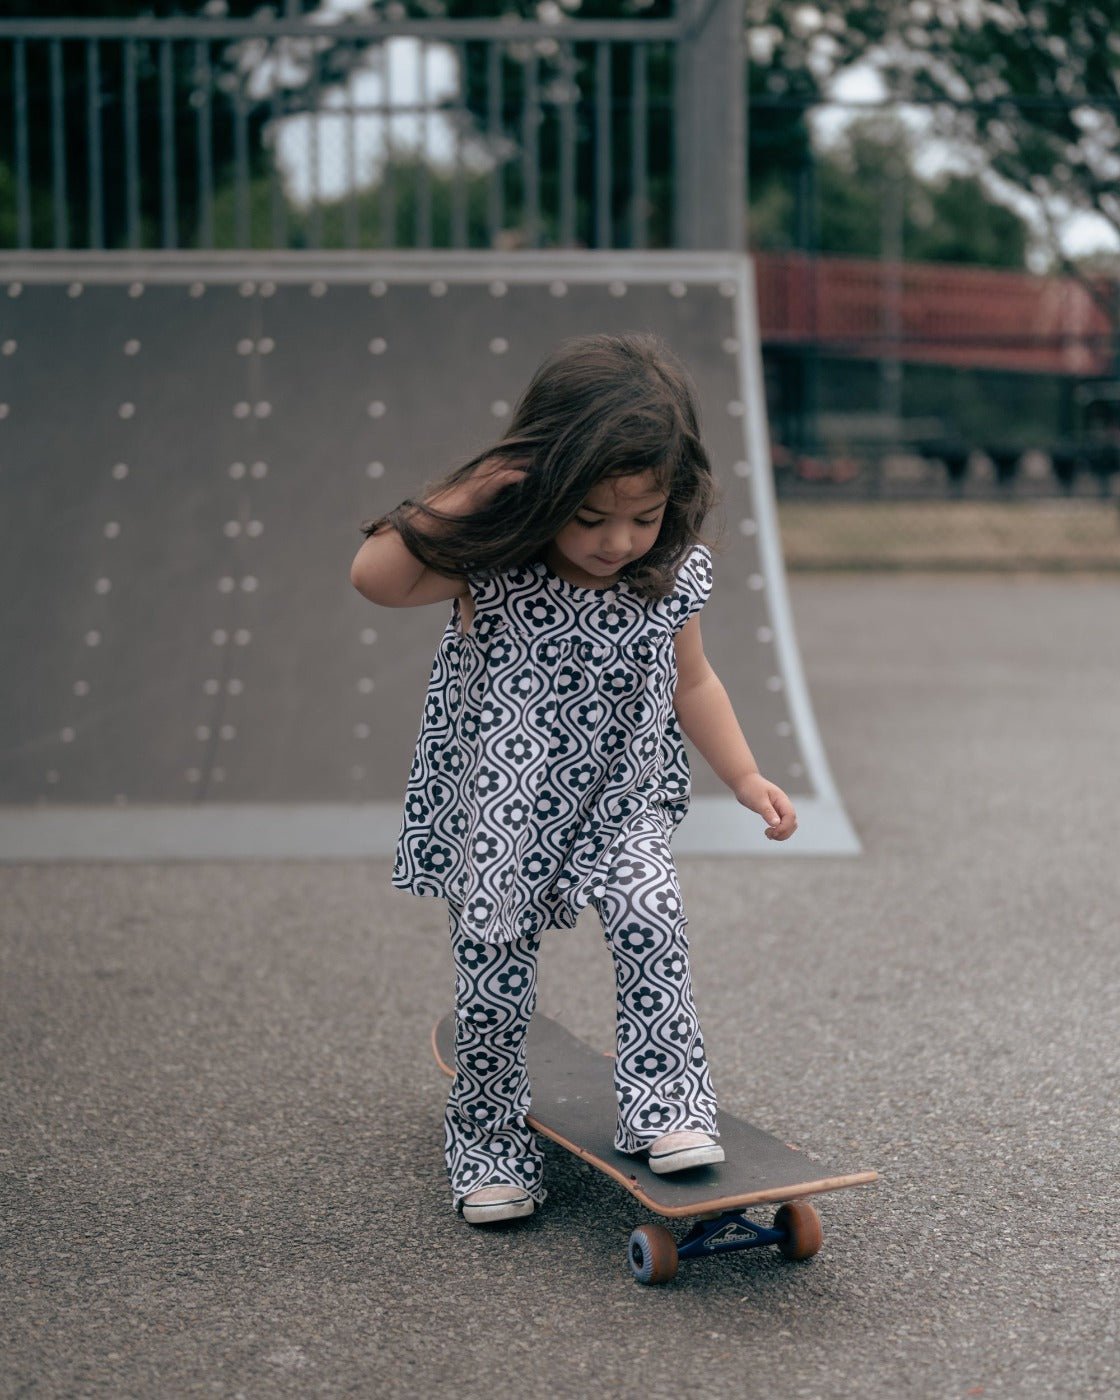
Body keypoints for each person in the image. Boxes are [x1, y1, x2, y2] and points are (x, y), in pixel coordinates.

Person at [350, 332, 797, 1226]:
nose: (616, 542)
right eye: (589, 517)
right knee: (492, 966)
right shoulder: (491, 562)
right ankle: (485, 1132)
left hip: (621, 799)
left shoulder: (666, 574)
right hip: (503, 811)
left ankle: (667, 1103)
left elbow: (693, 678)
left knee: (649, 914)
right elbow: (374, 579)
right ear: (543, 483)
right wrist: (472, 491)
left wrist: (745, 775)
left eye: (642, 516)